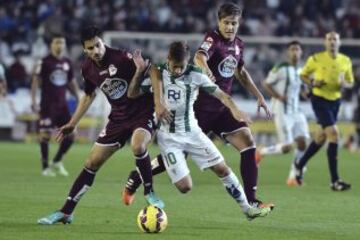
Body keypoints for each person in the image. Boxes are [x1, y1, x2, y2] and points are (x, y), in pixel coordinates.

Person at [122, 2, 274, 209]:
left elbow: (241, 72)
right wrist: (205, 69)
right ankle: (138, 175)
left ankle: (252, 200)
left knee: (248, 141)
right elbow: (199, 56)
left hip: (221, 108)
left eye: (234, 23)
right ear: (219, 22)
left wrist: (259, 96)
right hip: (200, 108)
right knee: (179, 153)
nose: (230, 27)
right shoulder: (213, 39)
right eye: (227, 23)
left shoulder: (238, 44)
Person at [37, 26, 164, 225]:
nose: (96, 51)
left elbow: (154, 73)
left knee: (138, 145)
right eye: (91, 48)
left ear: (102, 41)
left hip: (142, 112)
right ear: (84, 50)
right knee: (91, 163)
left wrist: (158, 104)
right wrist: (72, 122)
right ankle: (66, 212)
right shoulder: (87, 68)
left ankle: (149, 190)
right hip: (118, 118)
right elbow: (88, 95)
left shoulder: (122, 58)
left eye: (98, 45)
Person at [294, 31, 354, 191]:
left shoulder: (346, 61)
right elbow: (303, 75)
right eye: (329, 39)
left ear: (339, 42)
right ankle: (335, 181)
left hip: (335, 100)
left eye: (335, 39)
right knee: (333, 134)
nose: (332, 42)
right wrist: (313, 82)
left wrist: (344, 85)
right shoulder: (316, 58)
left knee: (320, 137)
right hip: (319, 99)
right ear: (325, 42)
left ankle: (299, 165)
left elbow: (350, 82)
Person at [257, 41, 310, 186]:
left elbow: (303, 92)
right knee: (286, 147)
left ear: (301, 52)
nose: (295, 52)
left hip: (296, 111)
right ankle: (261, 152)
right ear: (288, 52)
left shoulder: (300, 71)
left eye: (297, 49)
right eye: (292, 49)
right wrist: (279, 96)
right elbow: (266, 83)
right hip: (282, 110)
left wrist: (311, 93)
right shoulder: (280, 67)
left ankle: (294, 177)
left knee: (303, 142)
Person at [31, 34, 80, 177]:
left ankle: (57, 161)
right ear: (51, 45)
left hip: (62, 105)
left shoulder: (67, 62)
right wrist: (33, 101)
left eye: (62, 43)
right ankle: (45, 168)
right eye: (57, 42)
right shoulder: (44, 62)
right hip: (47, 105)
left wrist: (79, 97)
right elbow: (35, 82)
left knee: (72, 134)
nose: (60, 45)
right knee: (45, 135)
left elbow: (71, 82)